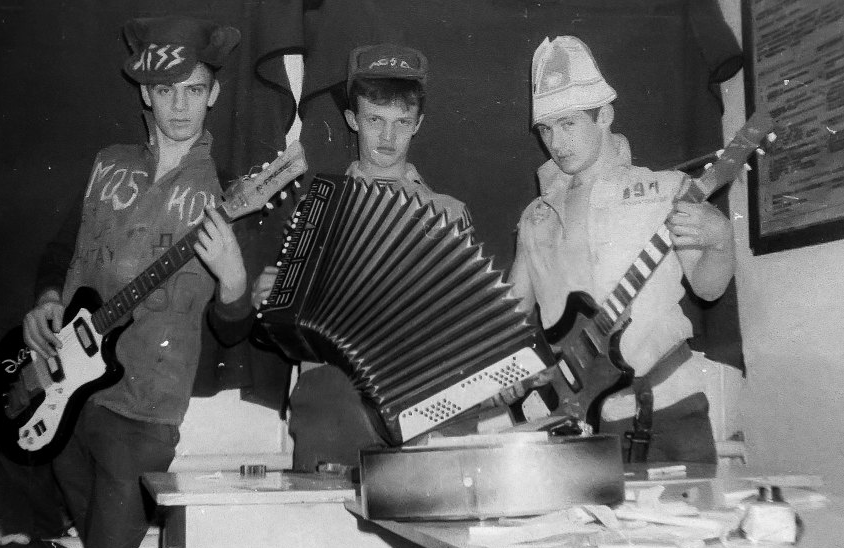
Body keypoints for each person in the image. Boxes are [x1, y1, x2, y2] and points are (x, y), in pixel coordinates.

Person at [21, 16, 250, 548]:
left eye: (194, 90)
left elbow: (234, 330)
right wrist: (47, 300)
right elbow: (59, 251)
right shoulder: (108, 163)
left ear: (214, 95)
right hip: (66, 398)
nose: (181, 106)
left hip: (145, 415)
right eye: (166, 91)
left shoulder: (228, 193)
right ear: (146, 94)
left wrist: (233, 278)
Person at [509, 36, 736, 464]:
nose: (556, 142)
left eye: (569, 124)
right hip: (582, 423)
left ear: (605, 115)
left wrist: (721, 238)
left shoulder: (666, 190)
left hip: (671, 407)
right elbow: (510, 318)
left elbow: (709, 288)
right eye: (546, 129)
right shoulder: (536, 218)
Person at [251, 43, 471, 472]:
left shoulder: (447, 214)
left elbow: (463, 328)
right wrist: (270, 302)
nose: (388, 138)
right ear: (353, 120)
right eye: (375, 120)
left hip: (419, 399)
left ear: (418, 124)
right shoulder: (316, 207)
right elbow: (285, 331)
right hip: (331, 402)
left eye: (401, 122)